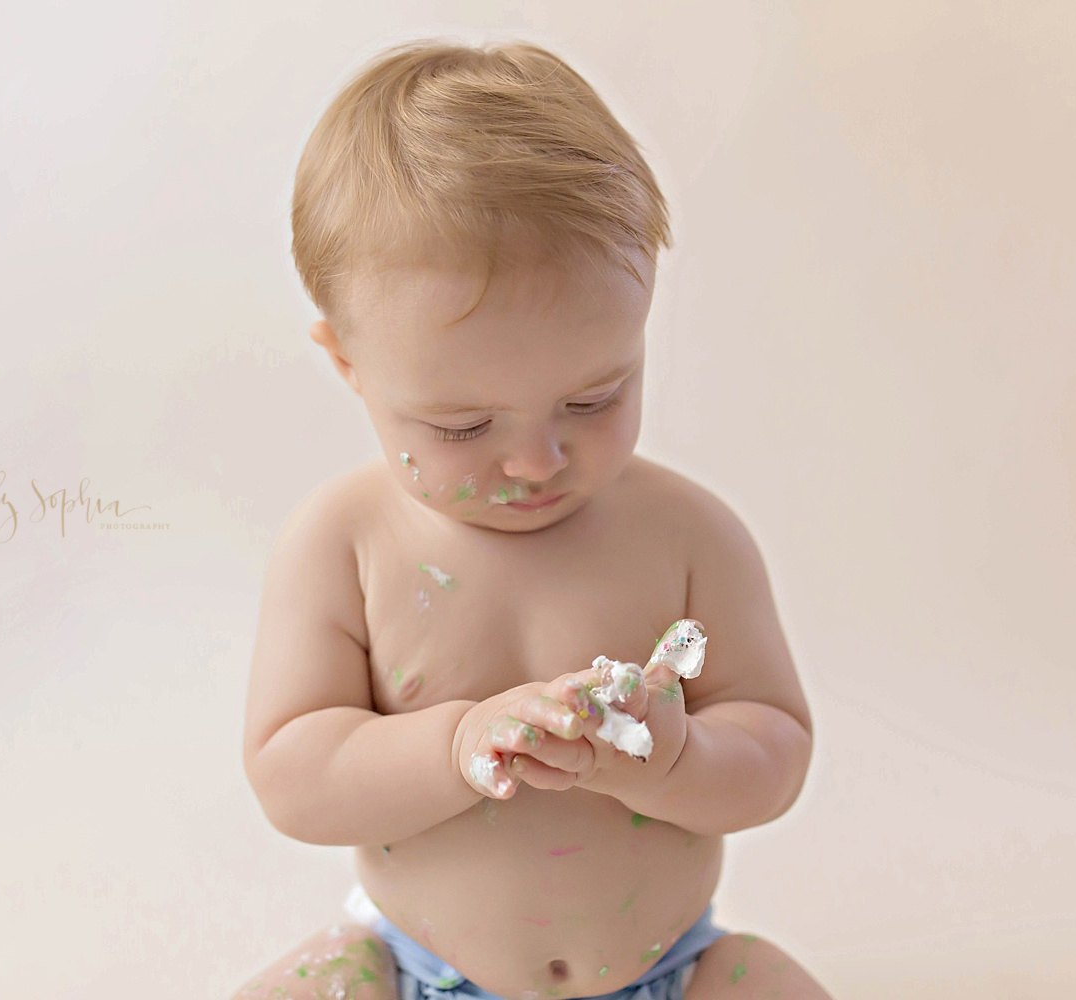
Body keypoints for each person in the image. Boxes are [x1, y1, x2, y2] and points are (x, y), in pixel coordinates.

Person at [232, 36, 832, 1000]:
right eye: (463, 424)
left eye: (596, 398)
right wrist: (456, 742)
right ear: (348, 363)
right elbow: (293, 776)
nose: (537, 461)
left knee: (772, 987)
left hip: (665, 973)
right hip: (422, 972)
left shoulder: (688, 538)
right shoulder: (345, 545)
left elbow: (774, 755)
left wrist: (670, 757)